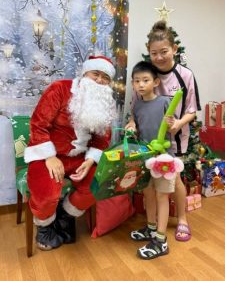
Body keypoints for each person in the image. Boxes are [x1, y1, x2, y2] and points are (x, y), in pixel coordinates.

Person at [24, 55, 117, 251]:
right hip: (47, 156)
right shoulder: (60, 89)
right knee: (47, 194)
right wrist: (49, 156)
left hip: (80, 158)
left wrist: (91, 160)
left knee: (99, 183)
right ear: (85, 73)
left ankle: (65, 215)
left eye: (105, 77)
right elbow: (39, 124)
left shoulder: (104, 103)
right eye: (96, 74)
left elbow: (102, 139)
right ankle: (45, 226)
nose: (100, 80)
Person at [126, 20, 201, 242]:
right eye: (154, 53)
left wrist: (178, 124)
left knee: (175, 180)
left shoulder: (185, 75)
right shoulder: (145, 74)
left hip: (175, 139)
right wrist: (131, 123)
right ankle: (153, 224)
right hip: (149, 142)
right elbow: (135, 110)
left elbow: (192, 110)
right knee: (151, 184)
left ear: (174, 50)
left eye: (164, 52)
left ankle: (182, 220)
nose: (159, 57)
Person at [128, 61, 175, 260]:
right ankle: (151, 228)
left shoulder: (165, 101)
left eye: (145, 80)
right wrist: (131, 123)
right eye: (136, 81)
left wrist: (172, 123)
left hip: (164, 159)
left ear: (155, 82)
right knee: (148, 195)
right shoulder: (137, 104)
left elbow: (173, 127)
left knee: (162, 196)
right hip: (145, 157)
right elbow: (136, 124)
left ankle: (161, 240)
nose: (141, 84)